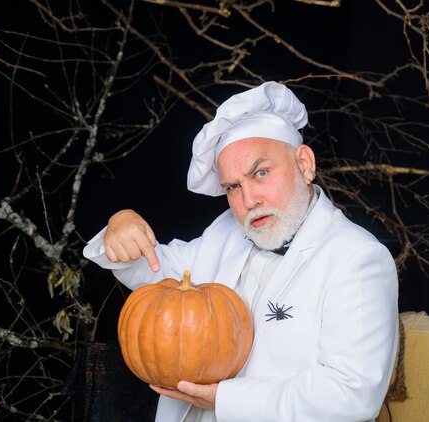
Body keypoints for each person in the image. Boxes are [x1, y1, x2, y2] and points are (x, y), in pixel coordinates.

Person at [83, 81, 399, 422]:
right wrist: (121, 227)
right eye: (233, 186)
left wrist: (225, 399)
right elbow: (158, 277)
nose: (249, 201)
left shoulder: (358, 258)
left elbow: (352, 394)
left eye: (261, 173)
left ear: (304, 163)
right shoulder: (225, 231)